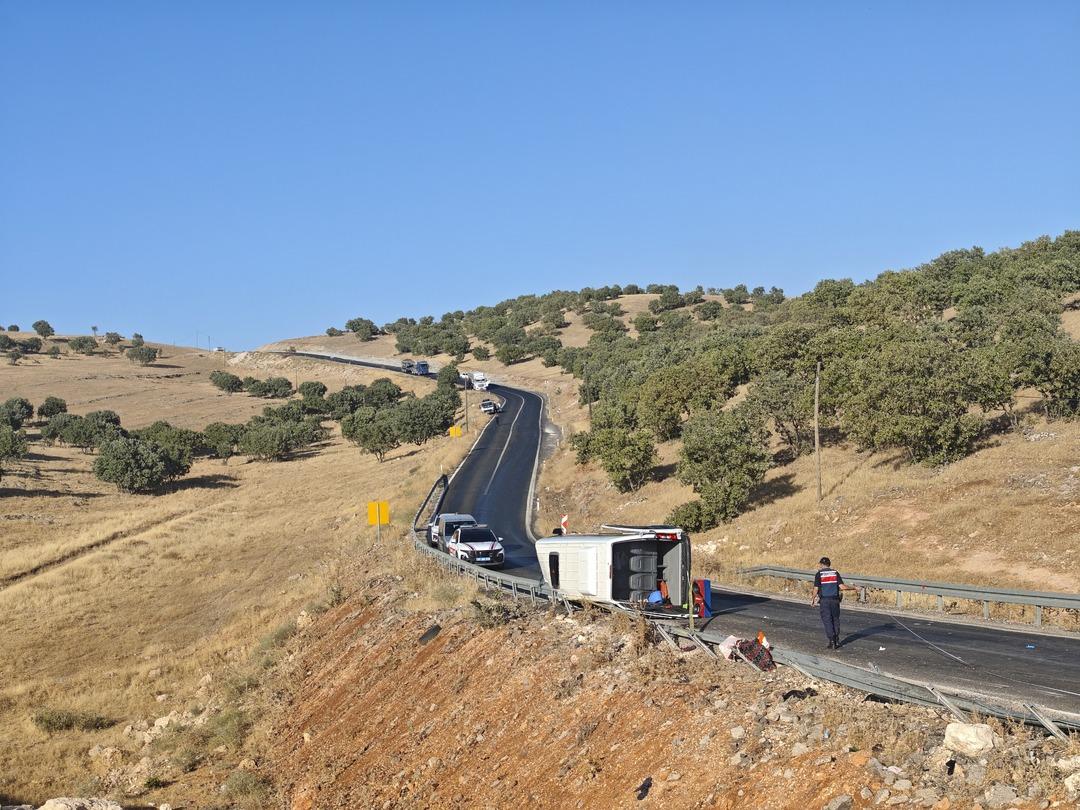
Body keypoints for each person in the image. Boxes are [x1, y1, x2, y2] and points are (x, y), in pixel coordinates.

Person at [811, 556, 857, 649]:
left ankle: (831, 640)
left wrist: (813, 599)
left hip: (824, 601)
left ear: (821, 564)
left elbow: (816, 589)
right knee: (835, 619)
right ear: (829, 564)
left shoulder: (819, 574)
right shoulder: (835, 573)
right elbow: (842, 587)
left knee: (827, 620)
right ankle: (836, 640)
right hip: (835, 600)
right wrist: (854, 588)